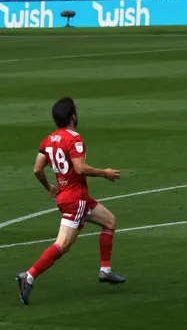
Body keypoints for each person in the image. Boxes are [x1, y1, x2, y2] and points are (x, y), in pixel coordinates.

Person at [15, 97, 126, 305]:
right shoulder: (74, 138)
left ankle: (105, 270)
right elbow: (80, 168)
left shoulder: (48, 140)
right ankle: (28, 277)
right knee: (63, 244)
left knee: (109, 221)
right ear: (72, 116)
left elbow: (37, 169)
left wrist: (49, 187)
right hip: (76, 200)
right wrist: (105, 173)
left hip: (70, 197)